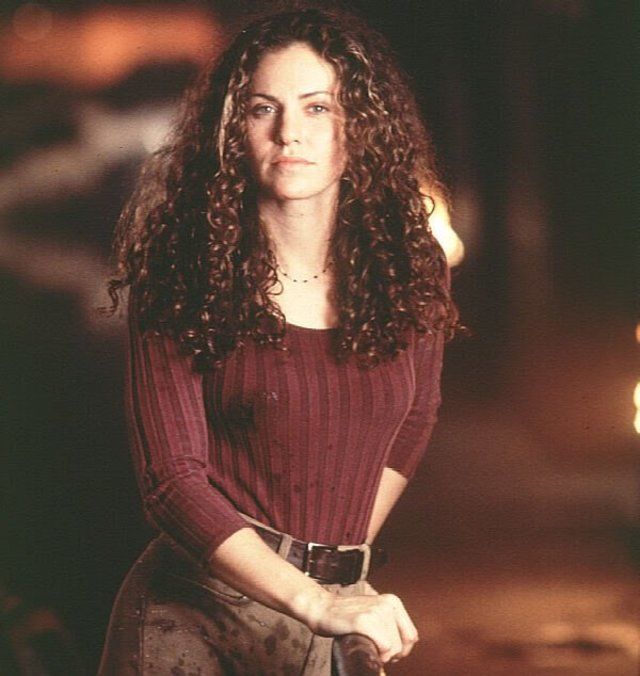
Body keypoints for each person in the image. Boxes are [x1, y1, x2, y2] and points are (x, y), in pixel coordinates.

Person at [98, 7, 458, 674]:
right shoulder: (181, 275)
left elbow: (415, 418)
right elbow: (171, 483)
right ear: (233, 130)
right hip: (194, 620)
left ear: (360, 124)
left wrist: (333, 567)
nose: (289, 132)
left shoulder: (411, 268)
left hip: (327, 606)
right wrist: (309, 594)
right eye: (264, 109)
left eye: (317, 107)